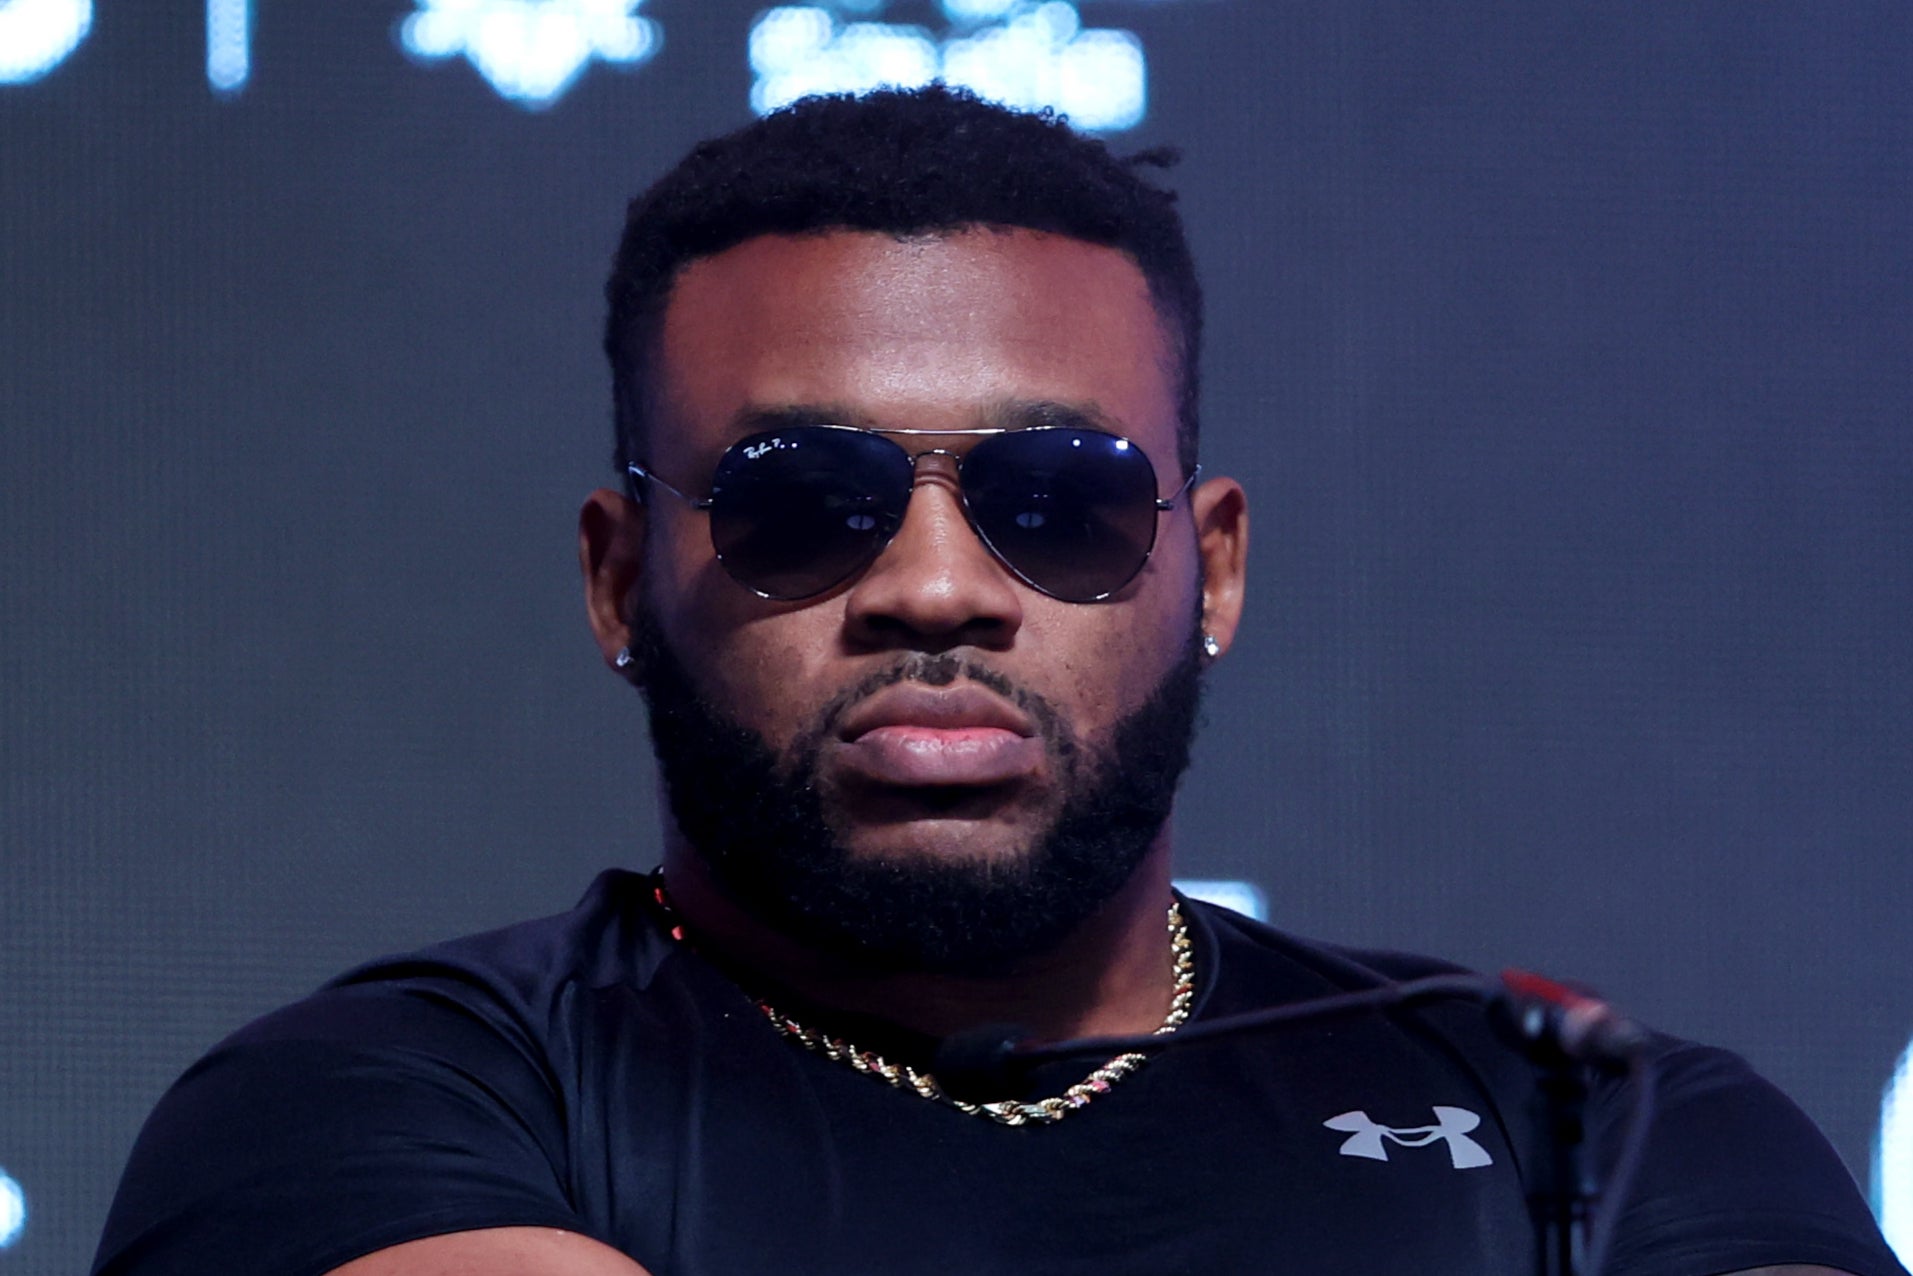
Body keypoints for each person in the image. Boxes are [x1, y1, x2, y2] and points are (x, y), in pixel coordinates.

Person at [93, 85, 1902, 1276]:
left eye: (1057, 502)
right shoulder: (380, 1108)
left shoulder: (1598, 1128)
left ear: (1212, 567)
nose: (936, 588)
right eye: (803, 503)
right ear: (620, 577)